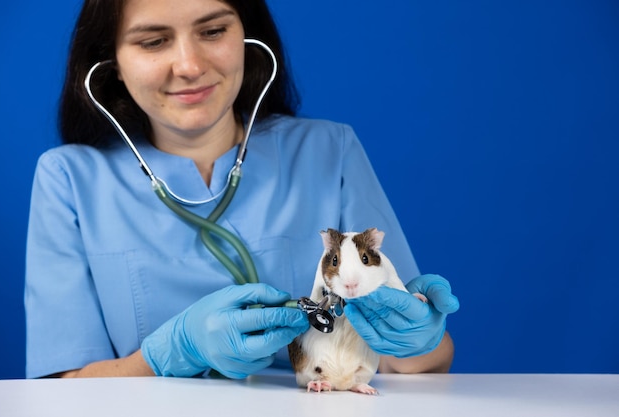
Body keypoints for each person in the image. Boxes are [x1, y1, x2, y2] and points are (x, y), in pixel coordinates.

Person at [25, 0, 459, 379]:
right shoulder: (69, 178)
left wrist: (419, 337)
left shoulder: (329, 151)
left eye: (213, 31)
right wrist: (172, 350)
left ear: (248, 38)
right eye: (152, 41)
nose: (190, 66)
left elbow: (416, 363)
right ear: (111, 62)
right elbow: (64, 387)